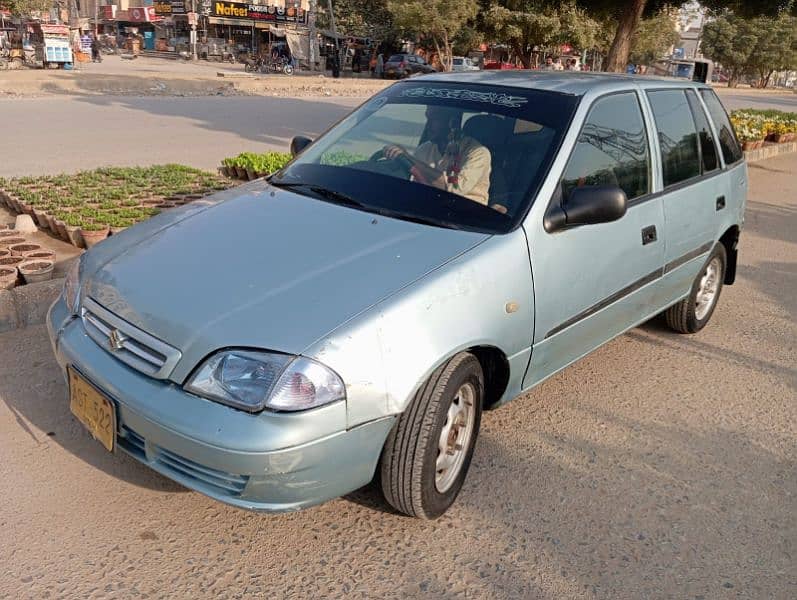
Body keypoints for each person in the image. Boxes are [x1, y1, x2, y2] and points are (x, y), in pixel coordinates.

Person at [382, 106, 492, 206]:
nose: (428, 125)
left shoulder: (478, 153)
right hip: (430, 210)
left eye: (434, 119)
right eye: (427, 118)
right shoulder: (425, 149)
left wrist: (409, 158)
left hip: (468, 218)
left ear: (452, 122)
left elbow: (454, 188)